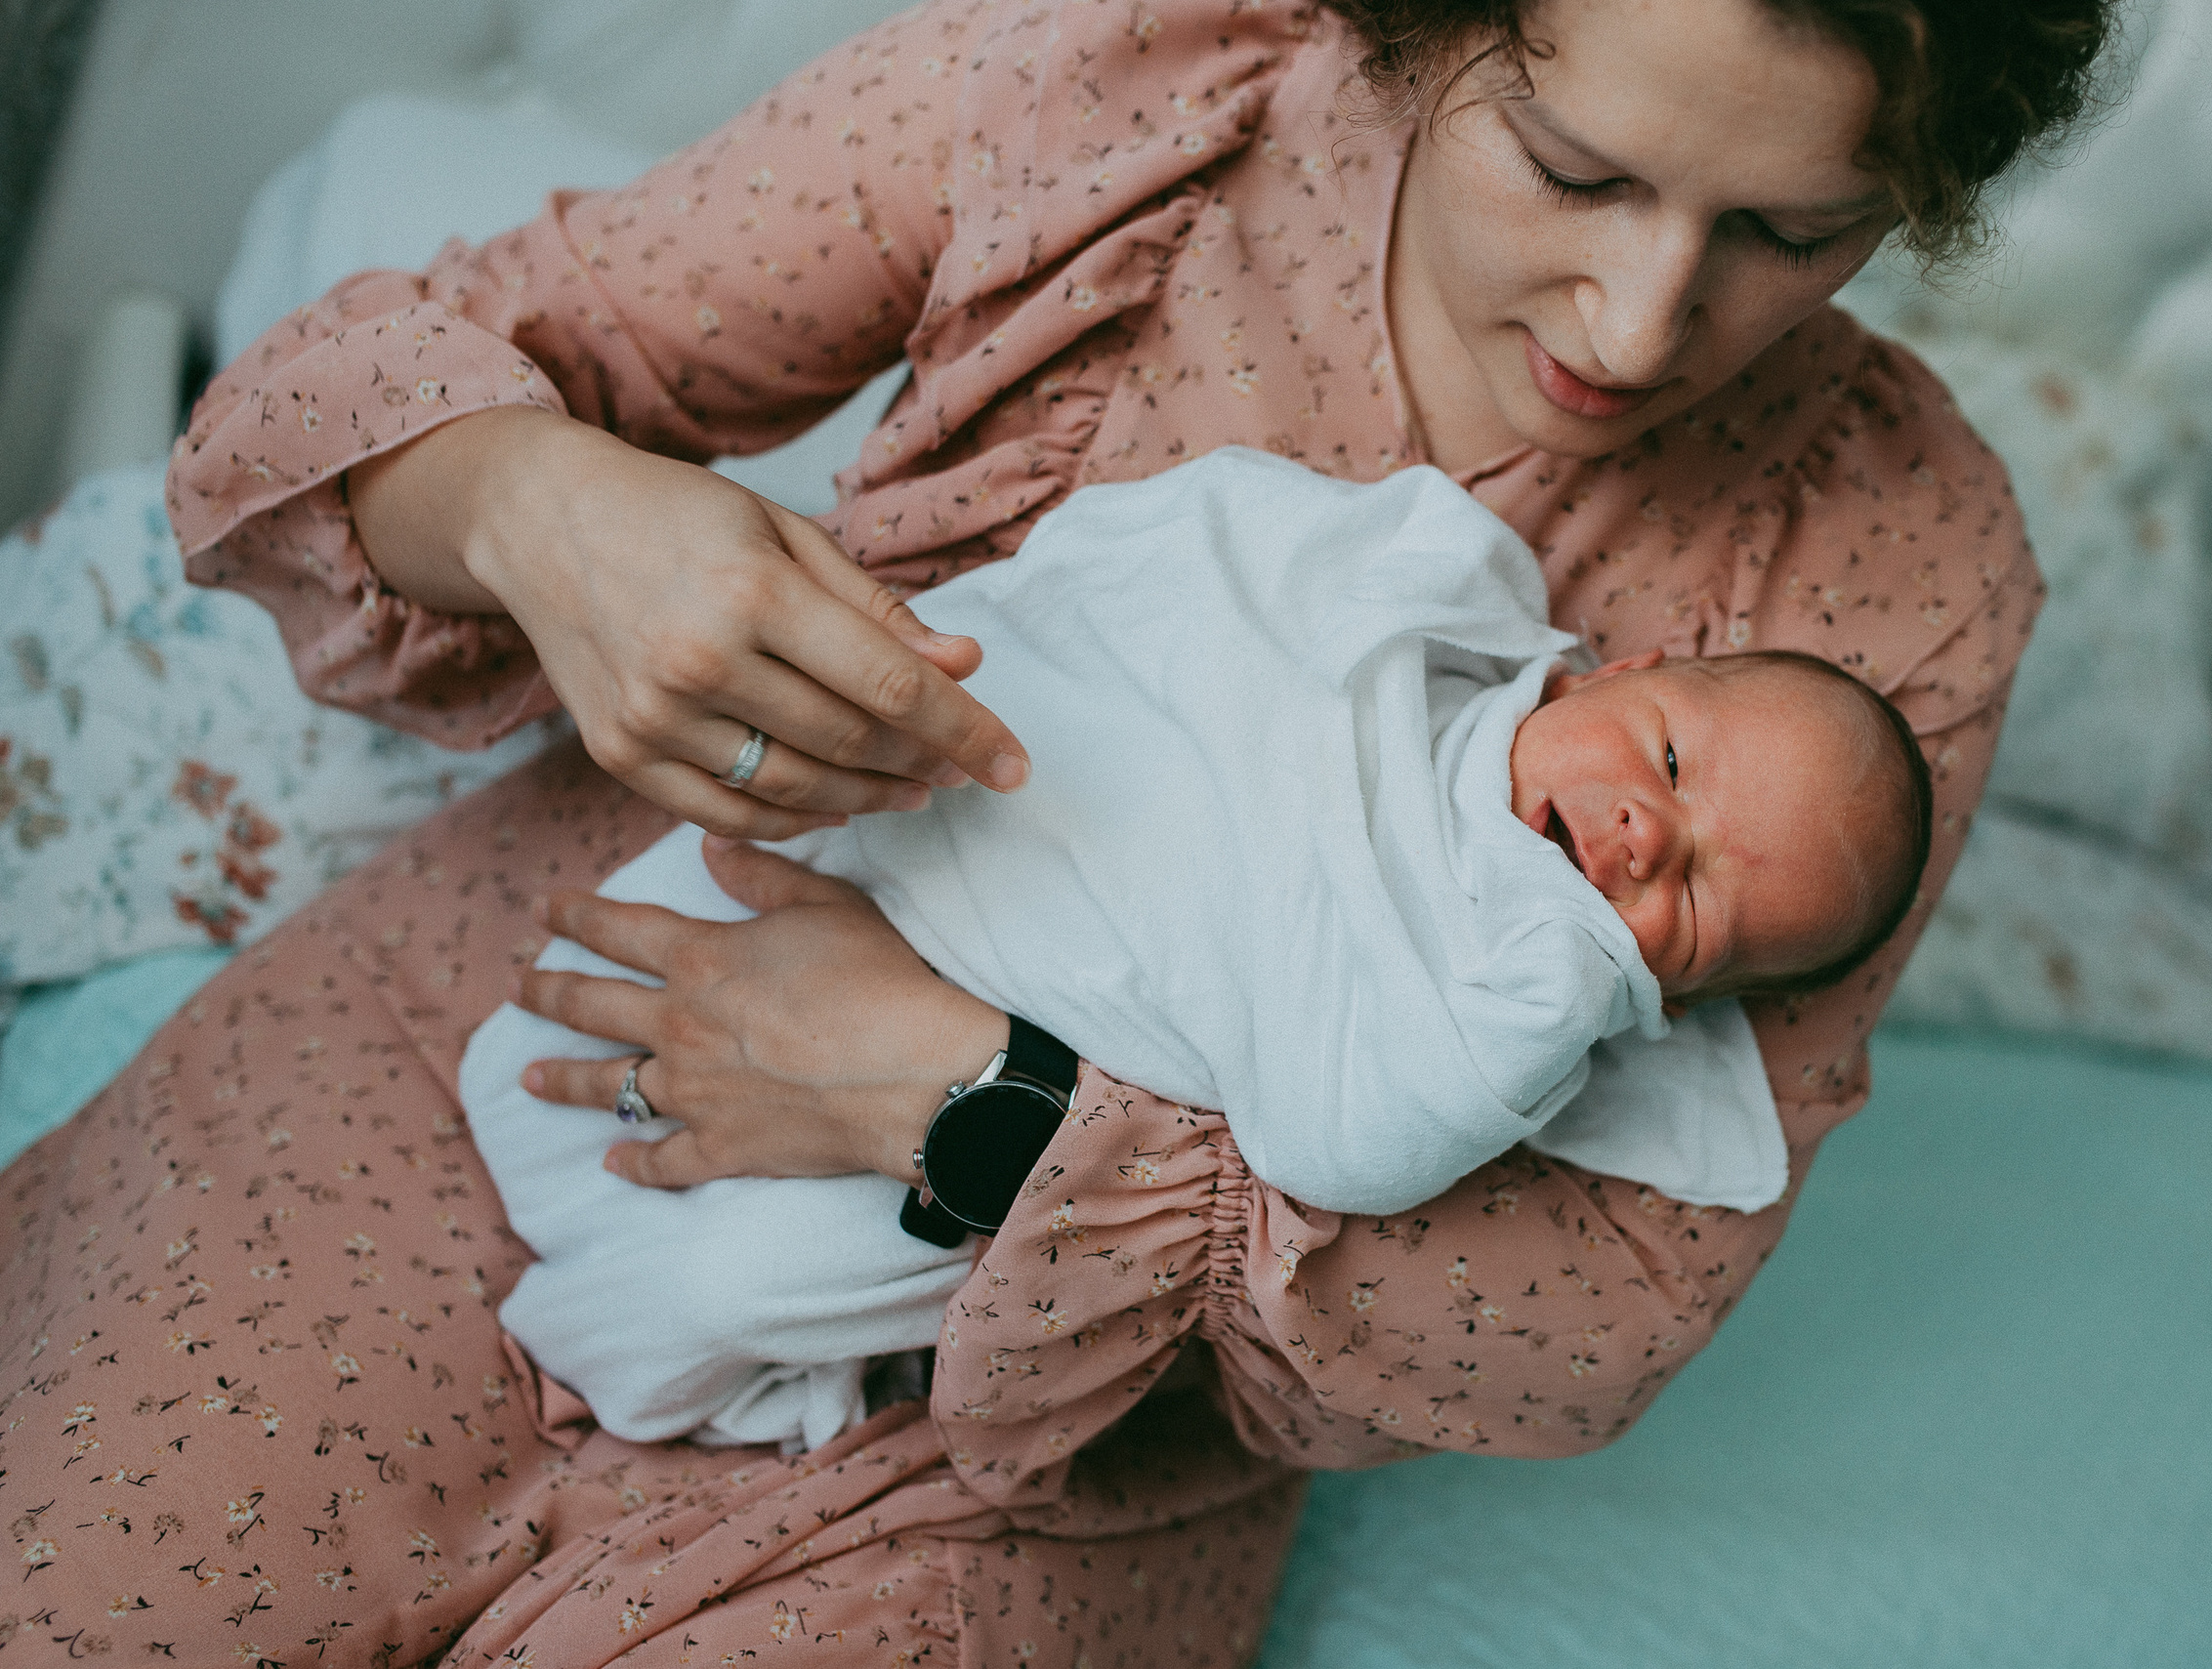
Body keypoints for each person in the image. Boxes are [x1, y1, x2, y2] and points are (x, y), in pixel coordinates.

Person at [1, 0, 2105, 1658]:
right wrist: (540, 508)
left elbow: (1593, 1308)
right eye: (1568, 166)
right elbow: (367, 394)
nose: (1637, 324)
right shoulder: (1122, 88)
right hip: (569, 1012)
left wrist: (985, 1108)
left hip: (1068, 1430)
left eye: (1787, 234)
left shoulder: (1897, 558)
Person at [458, 445, 1934, 1453]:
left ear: (1672, 1003)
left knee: (736, 1280)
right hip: (941, 853)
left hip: (998, 1079)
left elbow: (1340, 1144)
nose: (1636, 836)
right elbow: (1180, 573)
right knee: (569, 1017)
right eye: (1669, 759)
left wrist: (1573, 968)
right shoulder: (1413, 613)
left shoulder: (1506, 1011)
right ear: (1619, 669)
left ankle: (636, 1355)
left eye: (1697, 905)